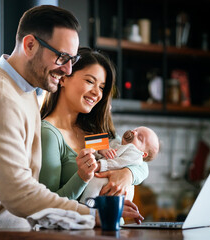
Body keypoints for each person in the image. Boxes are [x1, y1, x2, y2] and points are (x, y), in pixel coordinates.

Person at [0, 5, 143, 240]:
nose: (67, 69)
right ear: (30, 45)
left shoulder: (24, 91)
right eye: (62, 57)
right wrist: (93, 215)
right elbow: (20, 194)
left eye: (72, 60)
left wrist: (127, 172)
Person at [39, 47, 149, 205]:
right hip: (80, 229)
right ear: (63, 78)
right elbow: (47, 204)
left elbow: (141, 162)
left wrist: (128, 173)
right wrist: (82, 177)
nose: (97, 93)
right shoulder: (49, 134)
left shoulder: (95, 129)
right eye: (90, 81)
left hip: (113, 227)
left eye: (102, 87)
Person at [79, 126, 160, 203]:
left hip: (109, 184)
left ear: (143, 154)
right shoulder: (117, 142)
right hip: (102, 180)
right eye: (135, 130)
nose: (133, 133)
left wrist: (99, 165)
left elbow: (117, 163)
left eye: (140, 138)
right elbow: (89, 142)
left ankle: (84, 208)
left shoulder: (134, 154)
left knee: (94, 186)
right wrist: (100, 149)